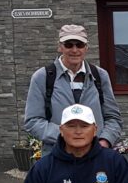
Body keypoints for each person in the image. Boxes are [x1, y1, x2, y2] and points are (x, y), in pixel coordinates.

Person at [24, 24, 122, 155]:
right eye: (69, 44)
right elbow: (33, 120)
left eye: (79, 45)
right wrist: (68, 137)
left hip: (95, 156)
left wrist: (104, 142)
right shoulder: (42, 77)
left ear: (86, 47)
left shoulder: (100, 76)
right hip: (57, 156)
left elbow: (113, 118)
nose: (74, 50)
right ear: (60, 47)